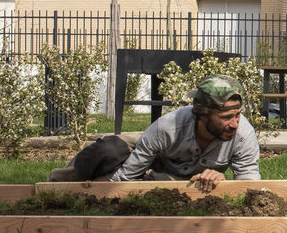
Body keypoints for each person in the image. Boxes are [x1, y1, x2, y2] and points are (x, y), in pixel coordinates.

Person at [110, 73, 261, 188]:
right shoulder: (168, 127)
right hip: (156, 165)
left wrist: (222, 183)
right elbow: (125, 177)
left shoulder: (243, 134)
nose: (234, 124)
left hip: (176, 184)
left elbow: (249, 184)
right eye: (226, 117)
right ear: (203, 114)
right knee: (107, 150)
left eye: (238, 115)